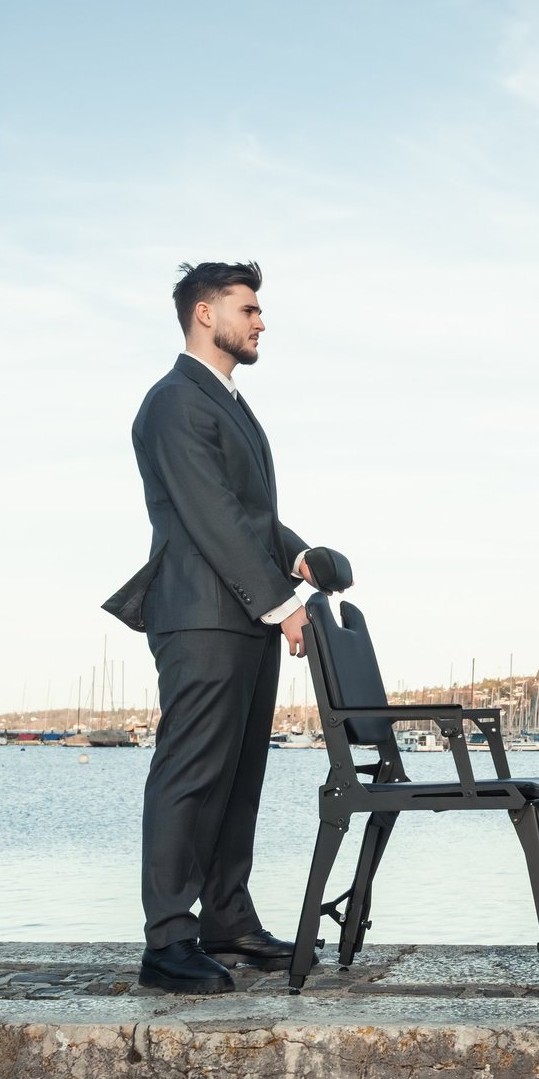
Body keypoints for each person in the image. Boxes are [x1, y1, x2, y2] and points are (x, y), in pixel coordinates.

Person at [103, 261, 339, 994]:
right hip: (200, 616)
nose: (261, 321)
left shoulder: (228, 402)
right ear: (205, 313)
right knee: (191, 773)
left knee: (238, 776)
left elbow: (249, 517)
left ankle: (227, 920)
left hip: (241, 617)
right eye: (249, 308)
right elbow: (210, 513)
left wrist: (298, 555)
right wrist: (284, 602)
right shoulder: (174, 400)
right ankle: (168, 942)